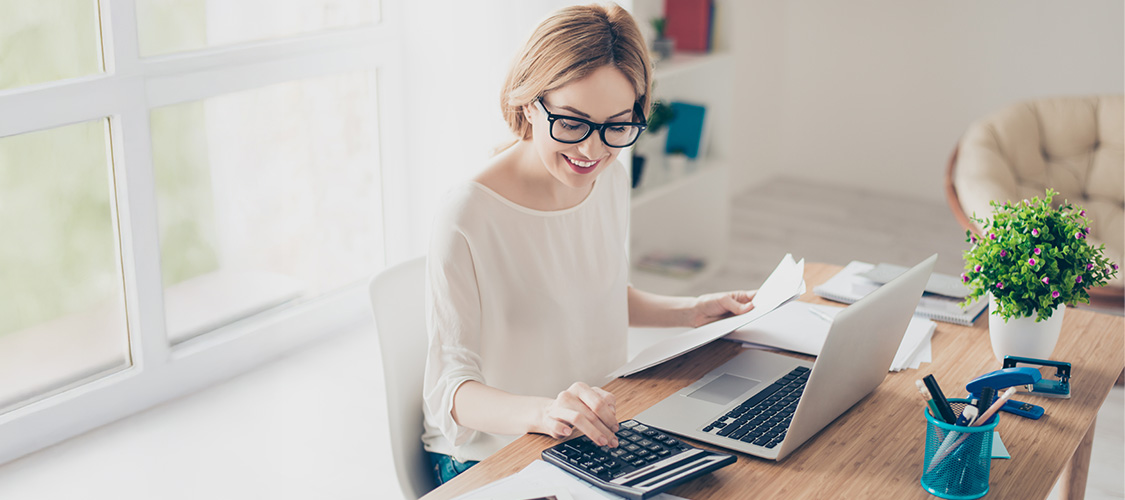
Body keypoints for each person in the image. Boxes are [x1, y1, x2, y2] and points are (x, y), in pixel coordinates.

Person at [421, 3, 755, 486]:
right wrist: (546, 412)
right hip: (493, 458)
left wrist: (693, 310)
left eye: (617, 125)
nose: (593, 151)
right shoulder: (468, 213)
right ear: (530, 102)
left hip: (592, 440)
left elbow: (595, 294)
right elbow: (449, 392)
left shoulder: (609, 179)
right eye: (573, 123)